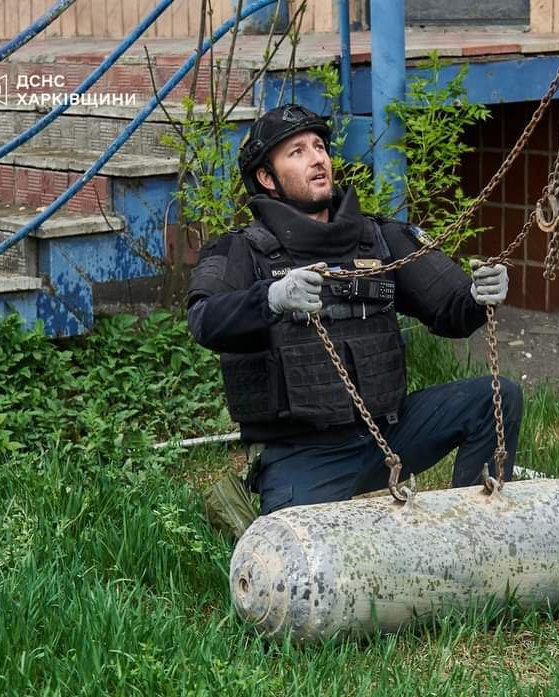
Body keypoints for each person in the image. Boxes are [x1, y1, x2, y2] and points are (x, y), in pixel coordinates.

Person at [187, 103, 522, 516]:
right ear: (266, 178)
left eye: (319, 147)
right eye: (297, 152)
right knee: (293, 550)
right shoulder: (241, 249)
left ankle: (477, 523)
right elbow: (203, 320)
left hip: (390, 434)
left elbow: (451, 310)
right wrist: (270, 298)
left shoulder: (380, 238)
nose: (317, 159)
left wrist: (479, 294)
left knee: (497, 396)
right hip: (304, 453)